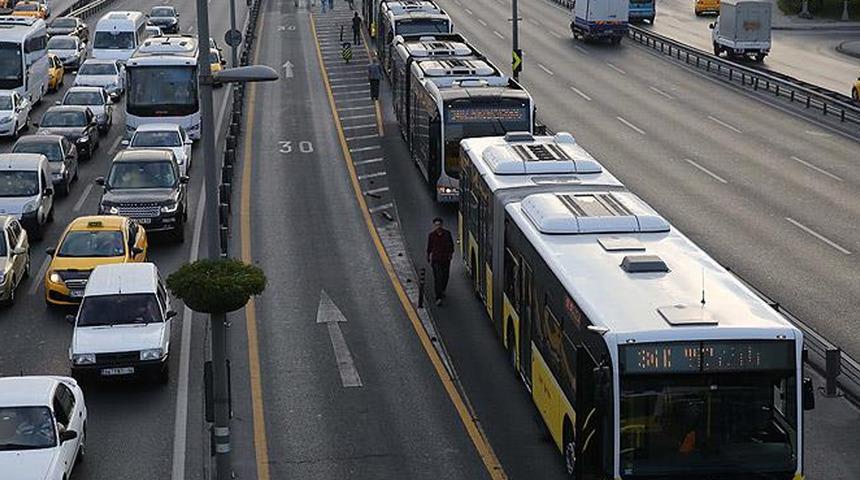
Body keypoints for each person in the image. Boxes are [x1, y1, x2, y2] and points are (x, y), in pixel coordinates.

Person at [426, 217, 454, 306]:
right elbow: (429, 247)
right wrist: (428, 256)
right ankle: (438, 297)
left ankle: (442, 289)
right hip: (436, 260)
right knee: (438, 278)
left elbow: (452, 245)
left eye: (439, 225)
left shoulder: (447, 234)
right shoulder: (431, 235)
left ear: (442, 225)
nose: (438, 227)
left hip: (445, 259)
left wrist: (450, 254)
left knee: (445, 276)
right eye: (436, 225)